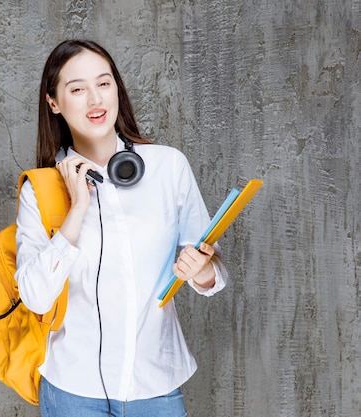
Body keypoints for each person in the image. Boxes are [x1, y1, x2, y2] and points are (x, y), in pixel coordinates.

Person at [14, 39, 228, 417]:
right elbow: (35, 298)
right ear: (54, 102)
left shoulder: (168, 166)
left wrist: (204, 270)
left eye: (104, 83)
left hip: (154, 384)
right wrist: (77, 209)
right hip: (72, 391)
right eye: (77, 89)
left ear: (117, 89)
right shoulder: (41, 189)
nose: (95, 100)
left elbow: (209, 265)